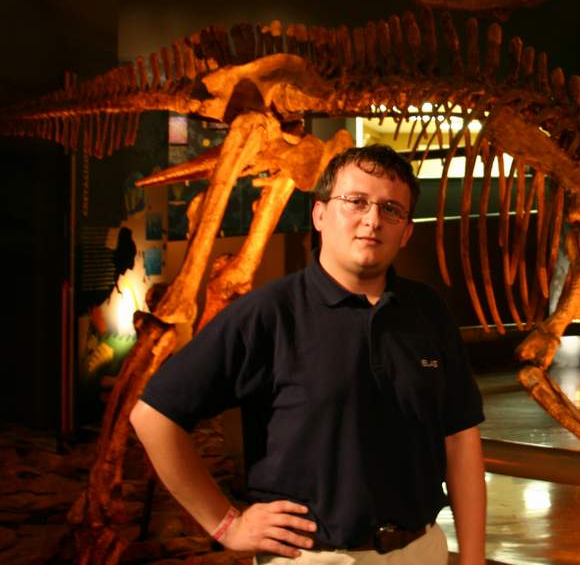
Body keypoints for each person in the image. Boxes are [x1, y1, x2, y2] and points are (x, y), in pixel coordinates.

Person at [130, 144, 486, 564]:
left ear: (406, 232)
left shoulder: (427, 312)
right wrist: (226, 524)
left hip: (420, 551)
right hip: (312, 557)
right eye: (356, 201)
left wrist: (473, 558)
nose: (372, 220)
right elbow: (153, 416)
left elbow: (460, 438)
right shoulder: (268, 314)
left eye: (391, 209)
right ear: (319, 214)